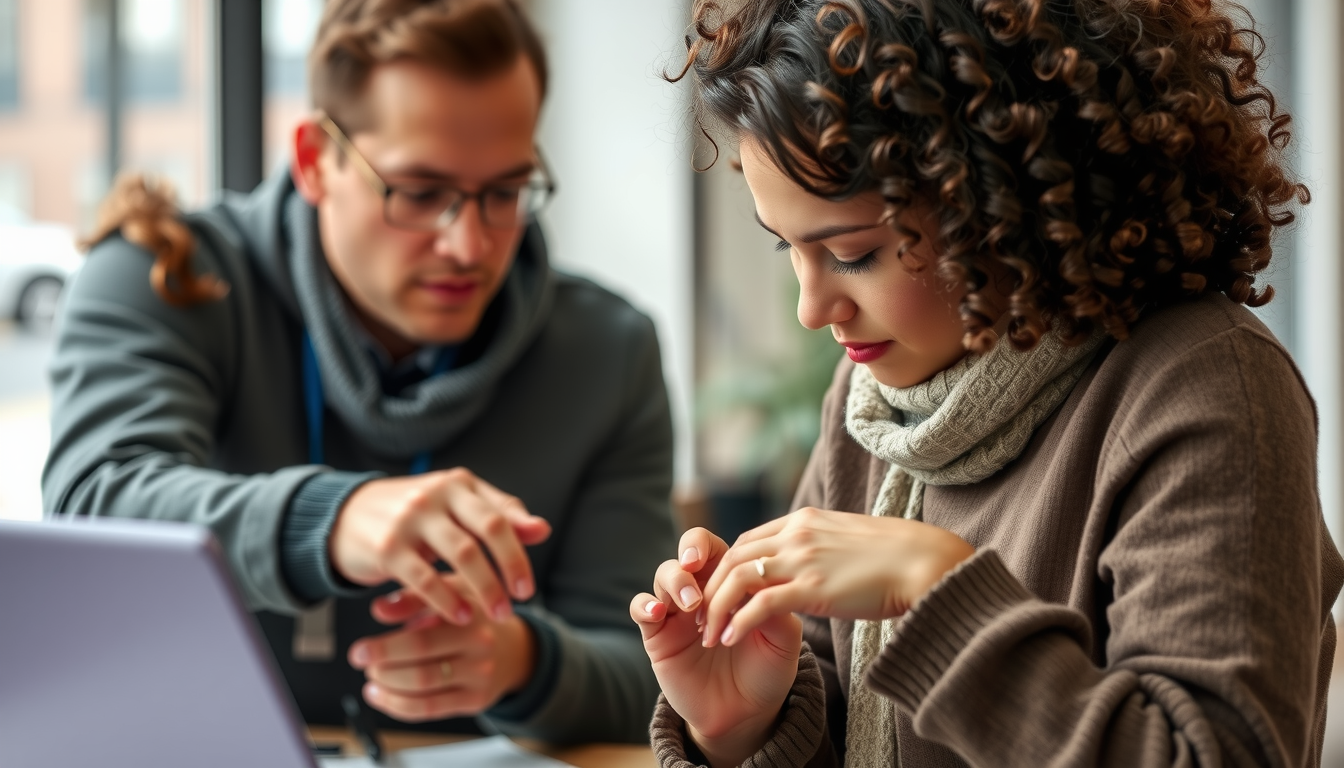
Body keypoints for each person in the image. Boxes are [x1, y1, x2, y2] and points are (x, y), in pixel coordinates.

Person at [634, 0, 1344, 765]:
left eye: (853, 253)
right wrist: (744, 726)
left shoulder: (1207, 389)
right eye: (787, 248)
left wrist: (936, 589)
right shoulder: (874, 405)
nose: (812, 310)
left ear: (1011, 196)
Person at [43, 0, 674, 743]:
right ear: (316, 160)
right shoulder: (161, 276)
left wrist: (527, 664)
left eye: (504, 193)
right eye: (421, 193)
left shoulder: (609, 350)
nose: (469, 246)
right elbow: (93, 506)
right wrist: (330, 518)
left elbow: (652, 676)